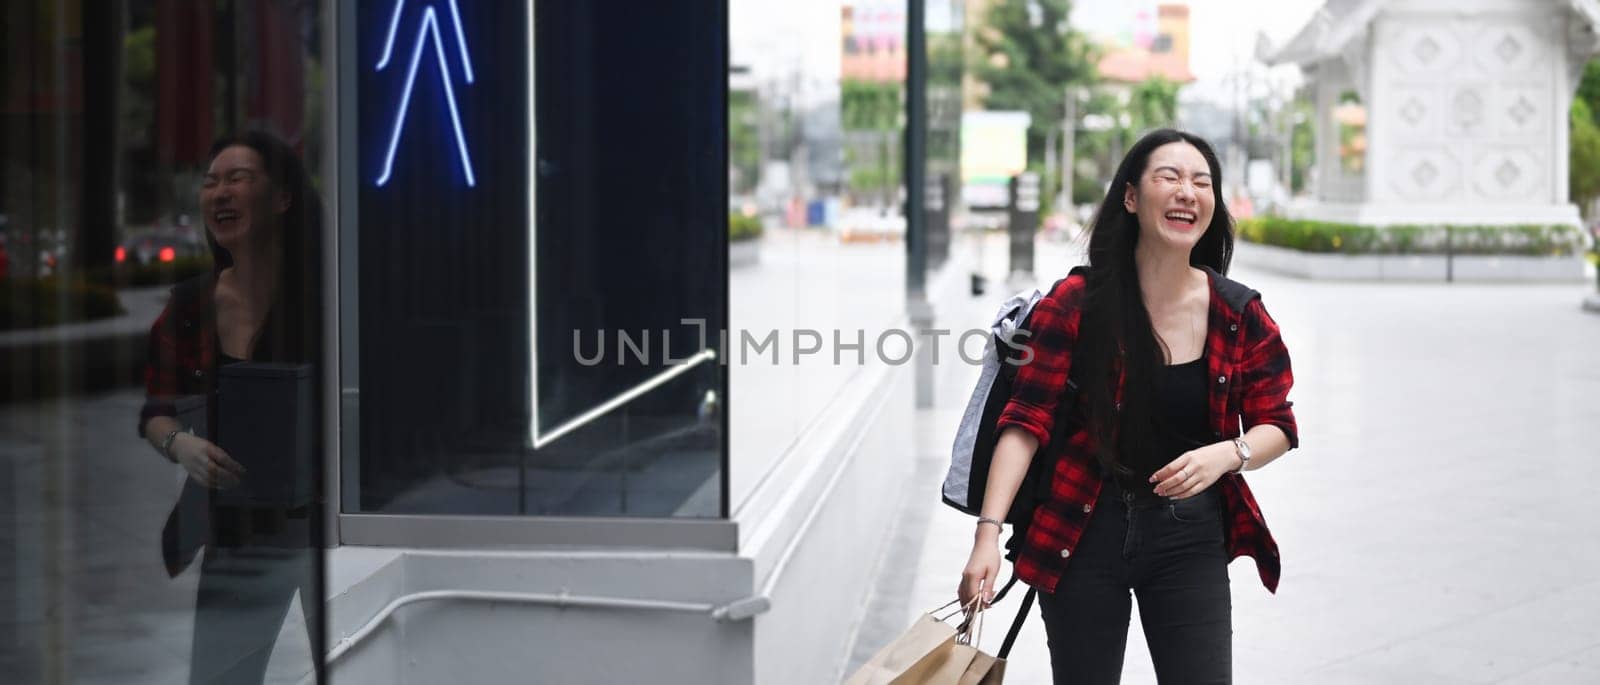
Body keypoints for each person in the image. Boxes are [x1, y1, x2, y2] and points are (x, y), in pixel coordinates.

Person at [958, 129, 1299, 684]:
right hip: (1081, 528)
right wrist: (986, 537)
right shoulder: (1075, 304)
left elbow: (1276, 425)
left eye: (1201, 181)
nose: (1187, 191)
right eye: (1169, 177)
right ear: (1132, 197)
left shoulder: (1239, 315)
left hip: (1189, 535)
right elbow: (1025, 422)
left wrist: (1226, 455)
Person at [137, 130, 324, 684]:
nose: (219, 192)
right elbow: (156, 409)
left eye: (238, 179)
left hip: (327, 525)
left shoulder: (330, 295)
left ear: (284, 197)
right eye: (210, 182)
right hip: (236, 529)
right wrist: (180, 444)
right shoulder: (191, 305)